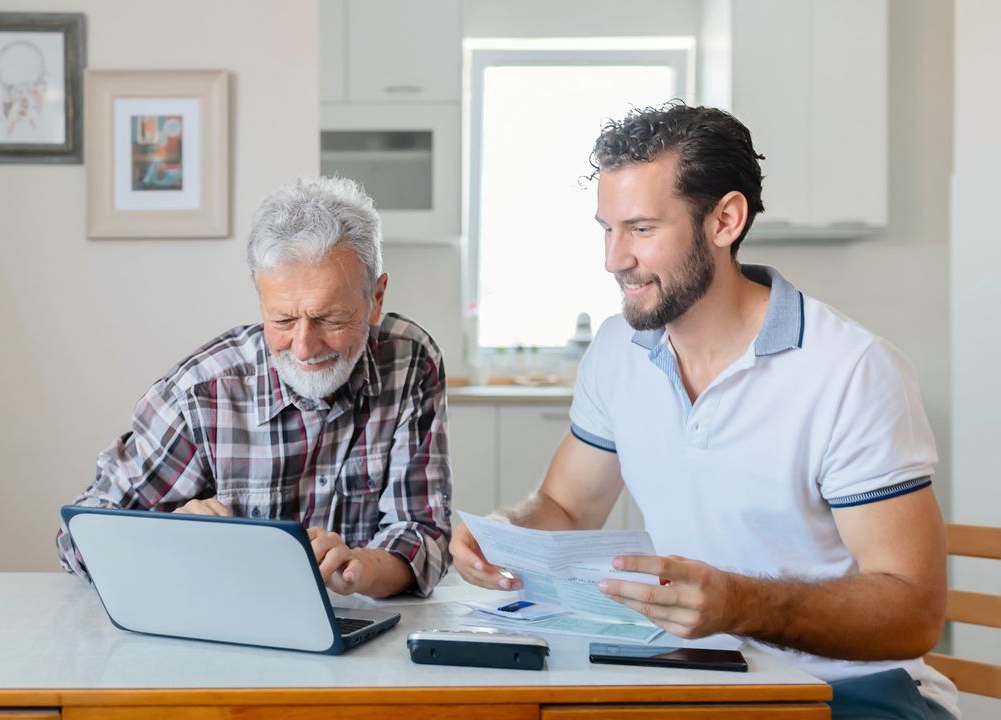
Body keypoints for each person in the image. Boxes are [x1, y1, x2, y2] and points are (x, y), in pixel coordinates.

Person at [450, 104, 958, 719]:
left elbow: (913, 613)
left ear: (725, 220)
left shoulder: (851, 370)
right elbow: (566, 507)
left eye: (640, 229)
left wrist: (739, 604)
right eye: (605, 229)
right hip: (699, 680)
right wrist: (503, 535)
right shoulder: (618, 351)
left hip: (851, 690)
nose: (614, 259)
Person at [57, 176, 451, 599]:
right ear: (258, 293)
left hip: (362, 631)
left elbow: (423, 532)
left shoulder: (410, 361)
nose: (303, 346)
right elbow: (77, 538)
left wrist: (365, 568)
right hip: (223, 635)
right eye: (282, 320)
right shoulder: (202, 393)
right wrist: (168, 536)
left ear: (376, 298)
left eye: (331, 320)